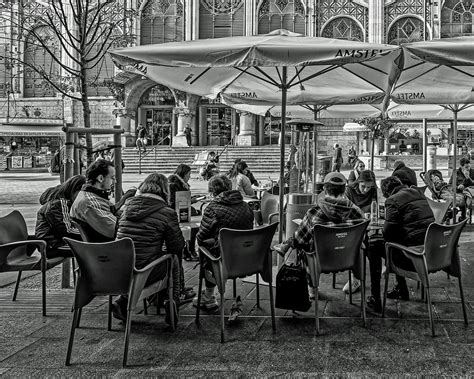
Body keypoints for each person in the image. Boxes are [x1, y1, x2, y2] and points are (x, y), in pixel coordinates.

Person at [275, 172, 365, 300]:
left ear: (324, 189)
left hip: (321, 260)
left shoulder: (314, 213)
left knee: (302, 243)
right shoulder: (355, 212)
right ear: (344, 189)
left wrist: (292, 241)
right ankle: (355, 278)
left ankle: (312, 286)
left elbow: (301, 239)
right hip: (349, 258)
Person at [113, 173, 188, 324]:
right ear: (164, 191)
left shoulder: (125, 209)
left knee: (146, 256)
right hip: (146, 271)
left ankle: (123, 300)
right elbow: (177, 246)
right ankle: (172, 299)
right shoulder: (167, 212)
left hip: (119, 269)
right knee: (172, 259)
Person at [366, 176, 434, 312]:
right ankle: (401, 289)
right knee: (396, 241)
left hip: (412, 258)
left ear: (386, 193)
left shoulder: (392, 200)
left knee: (373, 245)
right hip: (431, 253)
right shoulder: (418, 193)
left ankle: (376, 299)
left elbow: (388, 234)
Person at [194, 175, 254, 322]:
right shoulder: (245, 206)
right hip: (248, 258)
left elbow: (201, 237)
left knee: (204, 248)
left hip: (223, 260)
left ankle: (209, 295)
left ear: (212, 192)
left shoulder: (212, 208)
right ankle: (209, 295)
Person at [70, 159, 135, 241]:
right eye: (112, 178)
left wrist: (125, 199)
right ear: (100, 178)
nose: (115, 181)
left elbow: (111, 211)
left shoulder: (90, 195)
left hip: (101, 243)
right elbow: (117, 230)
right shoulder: (90, 202)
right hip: (106, 247)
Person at [342, 169, 377, 295]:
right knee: (359, 242)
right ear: (358, 182)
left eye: (369, 187)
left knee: (373, 241)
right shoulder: (349, 190)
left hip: (367, 223)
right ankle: (356, 277)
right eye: (363, 186)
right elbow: (347, 208)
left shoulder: (373, 189)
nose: (366, 190)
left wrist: (360, 210)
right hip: (352, 225)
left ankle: (361, 277)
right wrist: (362, 210)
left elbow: (375, 206)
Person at [35, 175, 86, 258]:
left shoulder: (65, 202)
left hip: (57, 242)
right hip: (53, 245)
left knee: (96, 246)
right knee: (93, 249)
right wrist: (88, 234)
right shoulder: (58, 204)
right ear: (75, 190)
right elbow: (66, 230)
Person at [168, 164, 200, 261]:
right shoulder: (173, 184)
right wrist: (190, 201)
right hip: (176, 212)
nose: (189, 177)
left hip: (181, 209)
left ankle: (189, 250)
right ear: (184, 174)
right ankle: (188, 251)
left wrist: (191, 198)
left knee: (196, 214)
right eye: (189, 174)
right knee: (193, 224)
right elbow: (174, 201)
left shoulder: (179, 182)